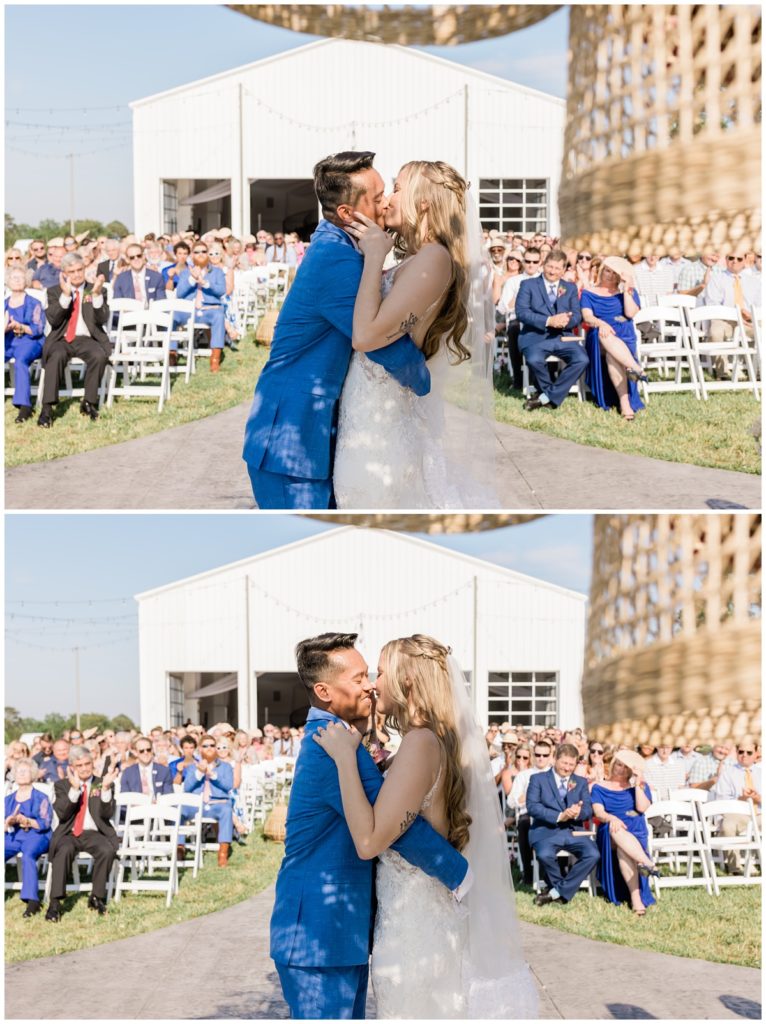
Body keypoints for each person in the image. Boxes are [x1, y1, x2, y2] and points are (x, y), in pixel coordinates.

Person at [312, 633, 537, 1019]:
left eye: (381, 672)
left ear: (408, 680)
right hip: (421, 917)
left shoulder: (420, 743)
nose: (373, 683)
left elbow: (368, 841)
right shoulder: (434, 739)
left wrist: (346, 759)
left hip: (414, 930)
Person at [269, 632, 480, 1020]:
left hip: (340, 933)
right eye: (360, 677)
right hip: (321, 935)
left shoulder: (342, 739)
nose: (369, 686)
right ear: (324, 691)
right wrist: (461, 876)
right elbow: (401, 831)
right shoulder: (329, 743)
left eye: (372, 674)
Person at [243, 151, 430, 510]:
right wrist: (426, 380)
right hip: (292, 441)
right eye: (377, 199)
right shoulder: (335, 257)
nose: (387, 201)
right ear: (347, 213)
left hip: (314, 431)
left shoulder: (344, 245)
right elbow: (379, 342)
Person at [334, 158, 498, 509]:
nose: (388, 199)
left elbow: (366, 337)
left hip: (384, 427)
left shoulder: (435, 259)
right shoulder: (418, 257)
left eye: (396, 187)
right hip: (366, 415)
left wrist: (376, 254)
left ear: (423, 201)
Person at [45, 746, 119, 921]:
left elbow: (107, 814)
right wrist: (74, 790)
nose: (85, 768)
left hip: (94, 833)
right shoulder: (61, 785)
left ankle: (96, 897)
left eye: (88, 763)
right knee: (63, 851)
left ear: (93, 763)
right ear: (72, 767)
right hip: (69, 833)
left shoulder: (101, 783)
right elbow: (63, 814)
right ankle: (55, 903)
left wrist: (106, 788)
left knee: (106, 851)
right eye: (80, 765)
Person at [38, 253, 111, 427]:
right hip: (62, 339)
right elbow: (54, 321)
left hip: (87, 338)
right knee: (55, 356)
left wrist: (97, 294)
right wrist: (65, 295)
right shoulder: (54, 291)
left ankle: (89, 402)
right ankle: (47, 408)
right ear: (64, 273)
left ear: (85, 269)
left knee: (99, 356)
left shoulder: (95, 289)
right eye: (72, 271)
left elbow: (102, 319)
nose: (77, 274)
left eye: (80, 270)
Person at [526, 742, 600, 905]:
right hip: (546, 831)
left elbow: (588, 809)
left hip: (573, 831)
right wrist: (560, 815)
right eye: (564, 763)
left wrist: (577, 812)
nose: (567, 768)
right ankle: (561, 892)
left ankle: (555, 892)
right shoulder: (537, 779)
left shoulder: (580, 782)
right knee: (544, 855)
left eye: (571, 765)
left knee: (593, 854)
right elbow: (532, 807)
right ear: (555, 759)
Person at [516, 250, 588, 411]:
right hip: (535, 337)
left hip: (563, 337)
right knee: (534, 359)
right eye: (550, 266)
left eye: (557, 268)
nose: (552, 271)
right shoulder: (528, 285)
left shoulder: (569, 287)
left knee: (582, 359)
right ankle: (550, 396)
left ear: (563, 270)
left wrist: (566, 321)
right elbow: (521, 312)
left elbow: (577, 315)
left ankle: (544, 397)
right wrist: (549, 321)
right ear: (543, 265)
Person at [590, 751, 659, 915]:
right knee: (616, 829)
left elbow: (641, 808)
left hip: (635, 831)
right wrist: (611, 818)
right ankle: (647, 862)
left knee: (624, 850)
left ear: (630, 770)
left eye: (625, 767)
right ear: (613, 764)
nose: (620, 769)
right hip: (610, 830)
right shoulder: (599, 787)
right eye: (618, 764)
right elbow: (599, 812)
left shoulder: (641, 786)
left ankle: (636, 901)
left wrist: (637, 782)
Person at [580, 257, 648, 420]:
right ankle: (636, 368)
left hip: (624, 335)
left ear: (620, 276)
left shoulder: (629, 291)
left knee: (613, 355)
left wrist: (627, 288)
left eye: (614, 273)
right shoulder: (589, 292)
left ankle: (625, 405)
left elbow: (630, 313)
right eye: (607, 270)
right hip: (599, 334)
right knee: (606, 335)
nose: (609, 275)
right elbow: (587, 317)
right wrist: (600, 323)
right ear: (601, 271)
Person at [4, 757, 53, 917]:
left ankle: (33, 901)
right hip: (14, 835)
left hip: (37, 835)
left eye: (24, 771)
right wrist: (8, 822)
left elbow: (45, 823)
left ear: (32, 774)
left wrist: (27, 821)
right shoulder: (7, 800)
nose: (21, 774)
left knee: (28, 855)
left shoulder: (41, 797)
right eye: (18, 771)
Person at [183, 733, 234, 866]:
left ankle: (223, 851)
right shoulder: (191, 767)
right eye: (205, 746)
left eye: (212, 745)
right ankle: (179, 847)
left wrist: (213, 775)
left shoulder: (226, 767)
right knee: (179, 810)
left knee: (227, 810)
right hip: (196, 805)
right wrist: (199, 773)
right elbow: (187, 788)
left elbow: (228, 786)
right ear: (200, 749)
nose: (210, 748)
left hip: (217, 804)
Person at [175, 241, 227, 372]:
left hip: (209, 310)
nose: (201, 254)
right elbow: (179, 293)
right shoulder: (185, 273)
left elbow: (221, 291)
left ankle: (215, 357)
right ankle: (171, 353)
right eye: (197, 252)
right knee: (172, 316)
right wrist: (192, 279)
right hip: (189, 311)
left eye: (204, 251)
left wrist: (206, 283)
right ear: (192, 255)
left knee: (219, 316)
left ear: (208, 254)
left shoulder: (217, 272)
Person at [712, 736, 761, 874]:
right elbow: (721, 801)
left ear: (756, 753)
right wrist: (741, 799)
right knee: (727, 825)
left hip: (760, 813)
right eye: (741, 752)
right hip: (738, 814)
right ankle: (735, 867)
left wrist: (759, 798)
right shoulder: (727, 773)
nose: (744, 755)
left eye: (749, 752)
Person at [5, 267, 46, 423]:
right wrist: (6, 328)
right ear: (7, 281)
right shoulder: (4, 304)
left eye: (20, 277)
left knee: (21, 361)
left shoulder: (33, 303)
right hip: (9, 340)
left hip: (30, 340)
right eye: (13, 277)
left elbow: (38, 329)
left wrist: (19, 326)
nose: (16, 280)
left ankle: (25, 407)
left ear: (26, 281)